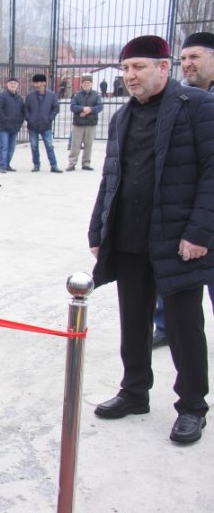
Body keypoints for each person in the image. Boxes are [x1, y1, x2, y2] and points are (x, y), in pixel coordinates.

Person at [88, 35, 214, 445]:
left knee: (183, 327)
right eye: (125, 69)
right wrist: (98, 231)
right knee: (133, 321)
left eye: (138, 67)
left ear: (164, 68)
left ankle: (193, 406)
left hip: (178, 240)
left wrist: (199, 232)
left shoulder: (197, 106)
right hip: (128, 239)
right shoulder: (123, 117)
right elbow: (111, 178)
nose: (129, 76)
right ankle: (134, 391)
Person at [152, 31, 214, 348]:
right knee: (173, 276)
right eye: (184, 58)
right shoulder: (177, 100)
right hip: (182, 211)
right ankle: (164, 325)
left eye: (195, 57)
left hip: (208, 212)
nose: (187, 64)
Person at [65, 74, 102, 172]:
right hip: (78, 123)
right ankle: (72, 163)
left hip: (91, 123)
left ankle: (86, 163)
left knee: (88, 144)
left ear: (91, 84)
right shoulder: (77, 95)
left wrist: (89, 110)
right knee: (75, 145)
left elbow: (99, 107)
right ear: (81, 84)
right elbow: (72, 107)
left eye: (88, 83)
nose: (86, 84)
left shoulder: (96, 95)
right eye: (84, 83)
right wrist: (82, 109)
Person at [25, 73, 61, 173]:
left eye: (39, 82)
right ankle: (36, 165)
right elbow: (25, 109)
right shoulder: (30, 96)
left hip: (46, 125)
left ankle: (54, 165)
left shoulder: (51, 95)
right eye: (35, 83)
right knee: (34, 146)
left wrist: (50, 118)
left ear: (44, 83)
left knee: (49, 146)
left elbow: (56, 108)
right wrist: (29, 118)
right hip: (33, 125)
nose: (37, 85)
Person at [0, 77, 25, 173]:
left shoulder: (19, 98)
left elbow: (22, 112)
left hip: (15, 127)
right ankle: (2, 166)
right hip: (4, 126)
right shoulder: (2, 96)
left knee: (11, 148)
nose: (13, 85)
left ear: (17, 85)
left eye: (15, 83)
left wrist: (20, 122)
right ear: (7, 85)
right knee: (4, 147)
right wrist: (5, 119)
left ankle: (8, 164)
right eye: (11, 83)